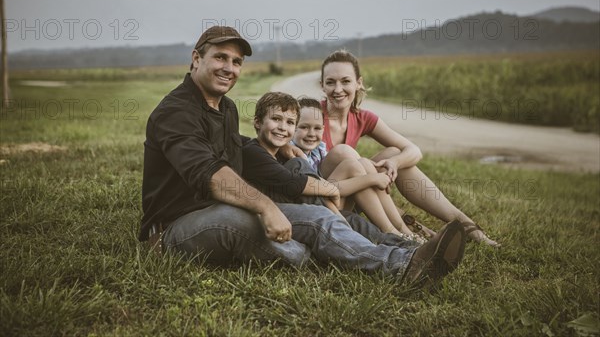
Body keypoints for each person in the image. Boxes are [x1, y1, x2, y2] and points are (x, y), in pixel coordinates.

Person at [139, 25, 466, 286]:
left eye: (236, 61)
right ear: (197, 58)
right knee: (291, 250)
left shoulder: (224, 107)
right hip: (176, 227)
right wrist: (267, 207)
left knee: (320, 219)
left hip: (222, 207)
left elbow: (233, 146)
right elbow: (211, 174)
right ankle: (342, 256)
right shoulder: (175, 112)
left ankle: (405, 261)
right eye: (220, 58)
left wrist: (281, 147)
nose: (229, 68)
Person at [317, 49, 501, 247]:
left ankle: (464, 224)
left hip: (354, 193)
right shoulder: (312, 115)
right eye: (330, 82)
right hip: (324, 199)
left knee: (394, 153)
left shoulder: (362, 117)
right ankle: (404, 230)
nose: (338, 89)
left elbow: (413, 150)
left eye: (345, 81)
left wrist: (394, 163)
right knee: (345, 153)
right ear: (322, 86)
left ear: (358, 83)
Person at [242, 92, 420, 248]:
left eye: (289, 122)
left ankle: (403, 241)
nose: (282, 127)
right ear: (257, 123)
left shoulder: (287, 152)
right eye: (276, 119)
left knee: (358, 223)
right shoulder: (257, 152)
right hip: (307, 212)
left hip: (323, 205)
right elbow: (294, 184)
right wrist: (335, 192)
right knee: (313, 167)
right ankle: (392, 232)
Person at [291, 97, 427, 242]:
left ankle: (403, 229)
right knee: (353, 166)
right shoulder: (292, 154)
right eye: (304, 127)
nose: (311, 133)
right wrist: (372, 179)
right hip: (318, 208)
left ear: (323, 129)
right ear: (292, 127)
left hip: (333, 201)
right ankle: (391, 231)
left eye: (317, 128)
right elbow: (323, 189)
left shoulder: (318, 148)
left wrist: (369, 171)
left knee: (363, 164)